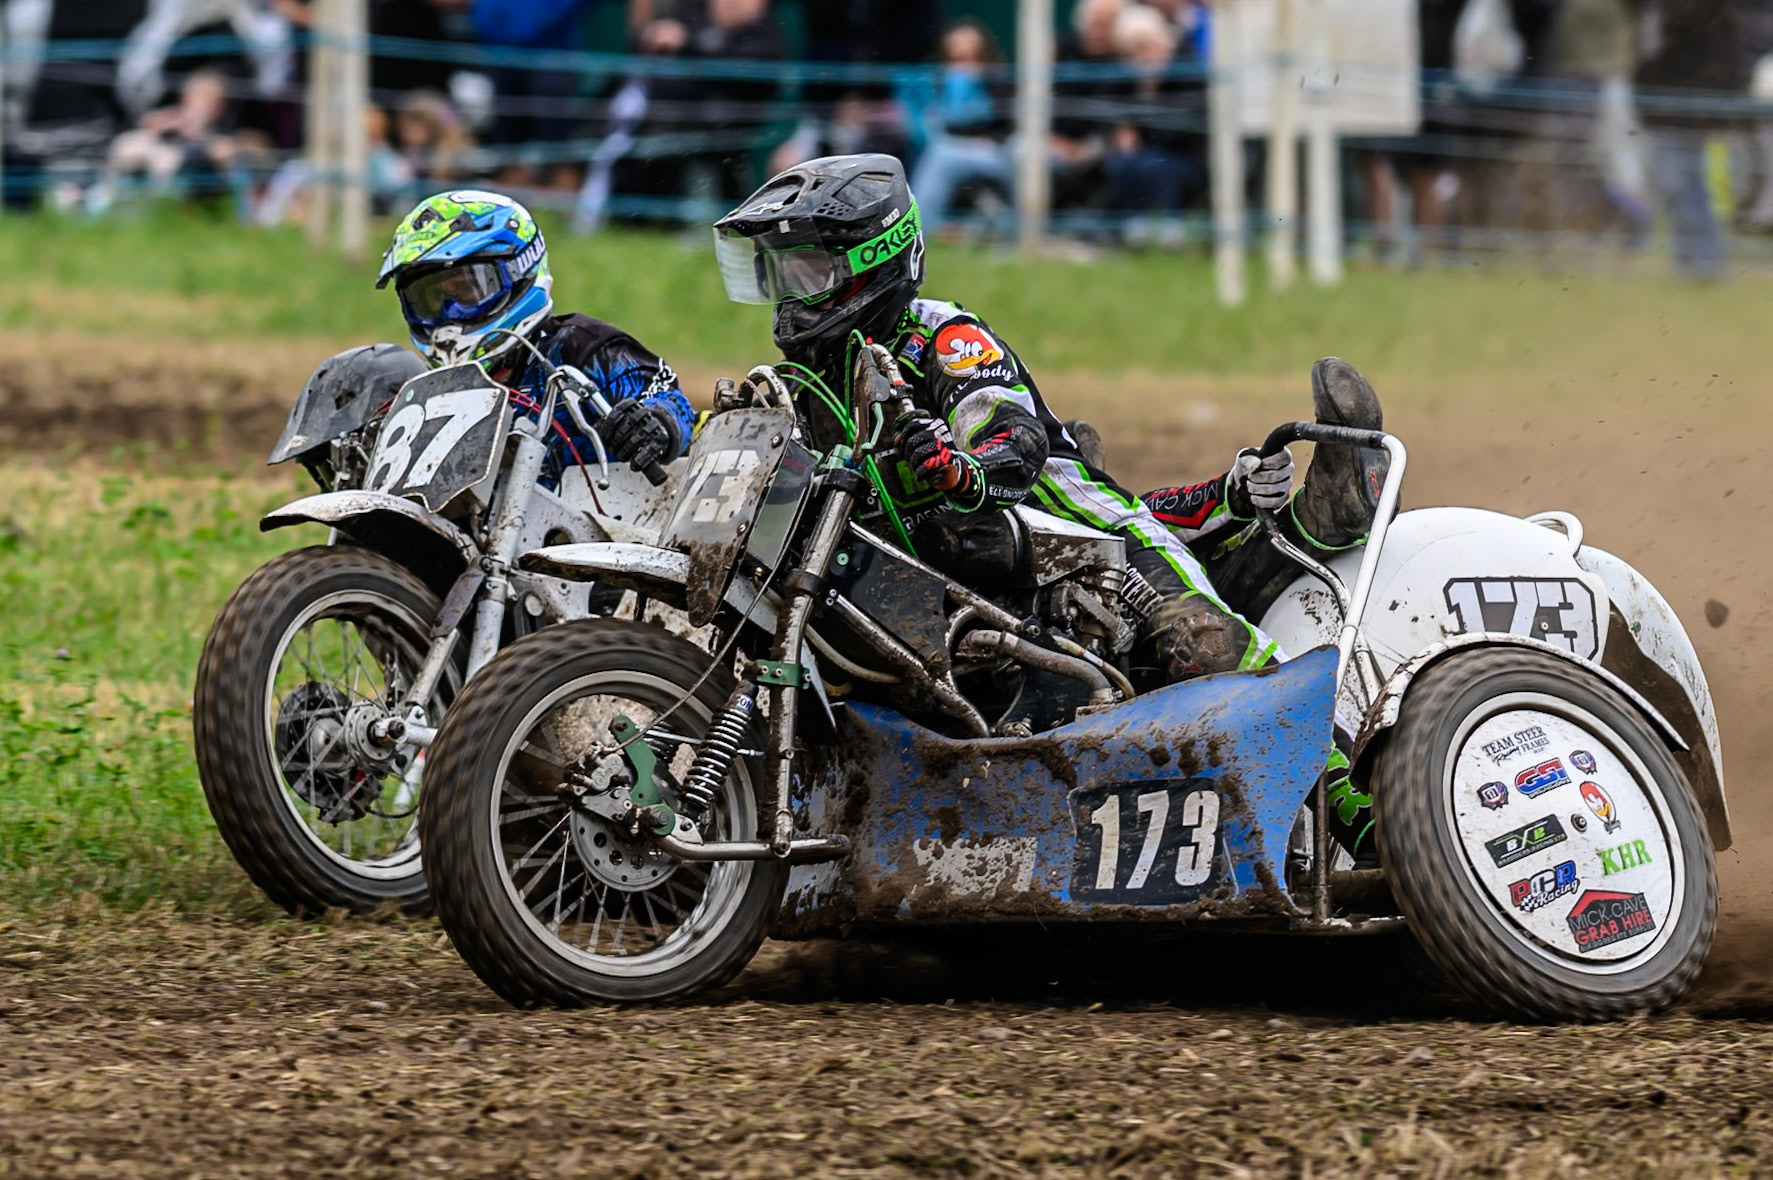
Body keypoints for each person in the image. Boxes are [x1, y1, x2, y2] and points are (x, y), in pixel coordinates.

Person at [711, 153, 1389, 686]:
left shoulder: (940, 338)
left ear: (868, 263)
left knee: (1205, 648)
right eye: (776, 274)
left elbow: (1013, 441)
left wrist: (960, 466)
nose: (787, 298)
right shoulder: (806, 385)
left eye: (803, 272)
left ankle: (1354, 804)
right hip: (962, 584)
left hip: (1090, 543)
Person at [377, 190, 695, 488]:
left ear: (519, 271)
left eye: (465, 291)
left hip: (604, 526)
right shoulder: (433, 388)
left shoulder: (580, 347)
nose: (450, 313)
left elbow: (671, 398)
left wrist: (656, 424)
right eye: (429, 301)